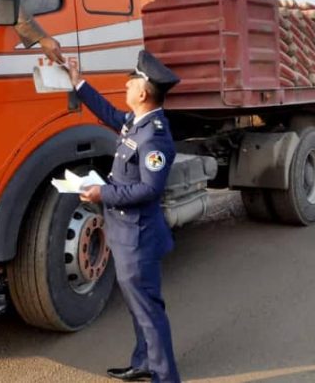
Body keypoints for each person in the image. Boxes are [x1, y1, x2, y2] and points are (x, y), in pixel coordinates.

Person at [68, 50, 182, 383]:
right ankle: (144, 361)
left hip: (138, 238)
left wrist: (102, 192)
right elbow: (108, 113)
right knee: (138, 306)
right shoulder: (138, 121)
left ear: (144, 93)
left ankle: (166, 377)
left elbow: (149, 190)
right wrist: (79, 83)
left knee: (148, 310)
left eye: (130, 84)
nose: (126, 88)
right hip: (125, 232)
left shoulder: (154, 136)